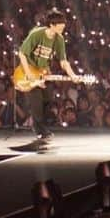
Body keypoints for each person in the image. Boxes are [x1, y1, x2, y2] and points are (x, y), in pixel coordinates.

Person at [17, 9, 81, 144]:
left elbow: (63, 61)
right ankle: (40, 130)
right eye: (60, 24)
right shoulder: (37, 34)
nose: (63, 26)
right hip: (29, 72)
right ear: (52, 25)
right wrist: (30, 75)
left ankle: (40, 127)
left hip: (45, 73)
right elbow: (22, 53)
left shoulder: (59, 39)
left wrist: (72, 75)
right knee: (36, 103)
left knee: (48, 101)